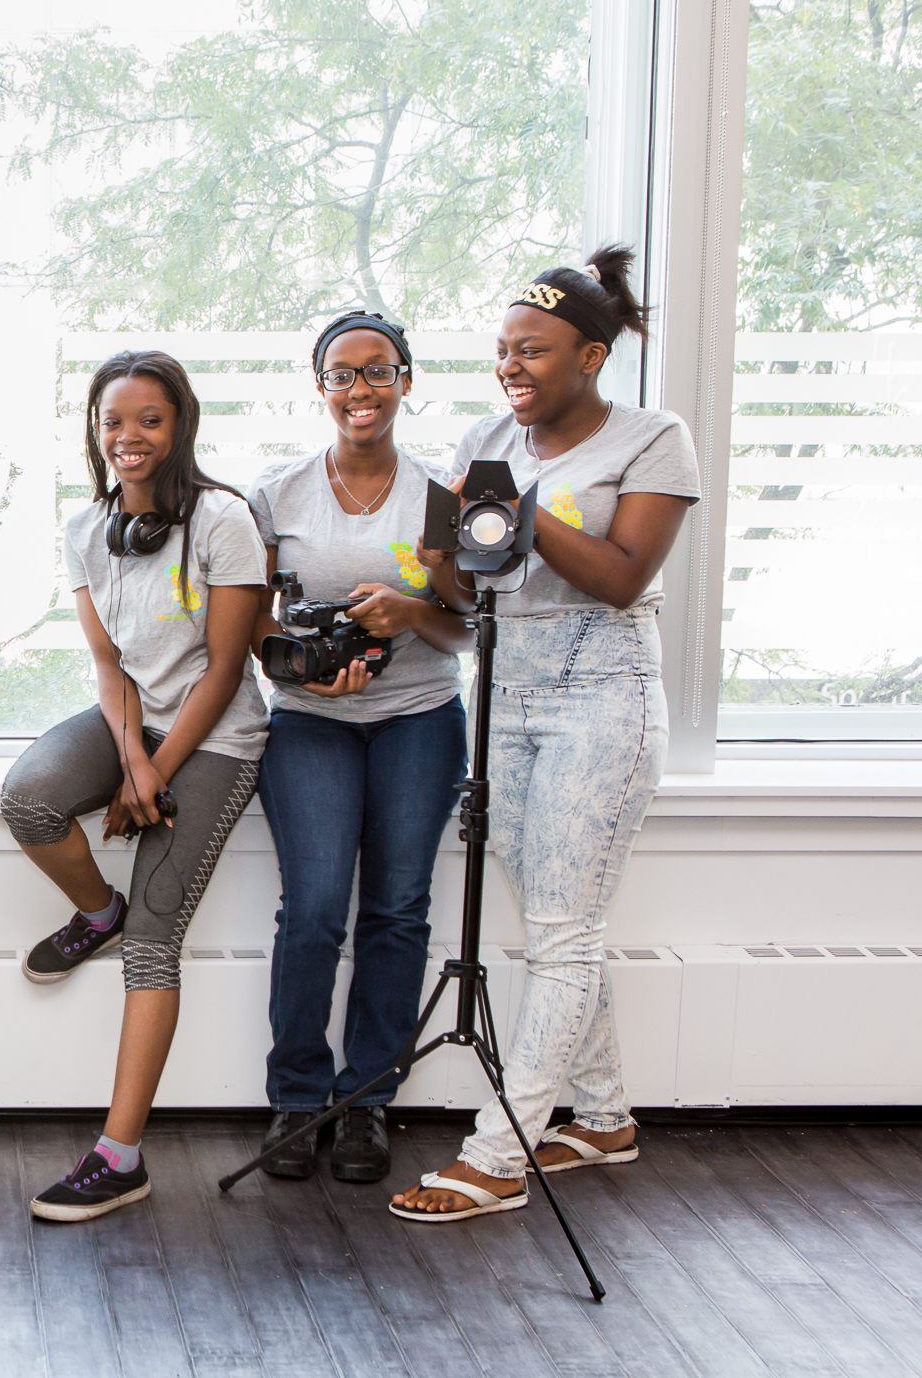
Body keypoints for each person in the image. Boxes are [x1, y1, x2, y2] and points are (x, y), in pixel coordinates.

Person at [391, 246, 700, 1223]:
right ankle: (602, 1116)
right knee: (554, 921)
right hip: (503, 686)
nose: (510, 368)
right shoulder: (486, 436)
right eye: (500, 351)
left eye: (531, 350)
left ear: (590, 356)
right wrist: (442, 555)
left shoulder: (651, 440)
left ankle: (496, 1150)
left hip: (600, 686)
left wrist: (514, 513)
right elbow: (453, 586)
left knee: (560, 932)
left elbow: (618, 575)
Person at [0, 350, 268, 1223]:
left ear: (179, 424)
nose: (128, 437)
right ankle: (95, 914)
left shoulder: (225, 521)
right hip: (135, 722)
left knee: (157, 939)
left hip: (216, 734)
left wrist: (161, 766)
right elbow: (109, 663)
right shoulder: (87, 529)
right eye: (113, 421)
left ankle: (120, 1158)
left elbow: (226, 669)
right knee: (29, 797)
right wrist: (133, 756)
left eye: (148, 419)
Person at [249, 313, 470, 1184]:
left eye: (377, 371)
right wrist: (301, 671)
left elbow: (463, 631)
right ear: (320, 389)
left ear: (407, 381)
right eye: (342, 375)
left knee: (397, 909)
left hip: (419, 715)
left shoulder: (441, 496)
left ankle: (365, 1101)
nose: (360, 390)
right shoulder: (279, 492)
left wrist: (410, 612)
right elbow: (249, 618)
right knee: (311, 910)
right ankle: (297, 1099)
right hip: (310, 722)